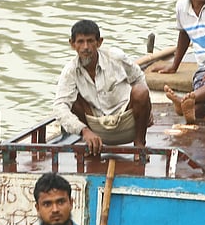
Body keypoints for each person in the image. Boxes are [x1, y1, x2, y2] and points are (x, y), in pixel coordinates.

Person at [53, 20, 152, 158]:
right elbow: (59, 106)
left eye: (90, 41)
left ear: (99, 42)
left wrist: (148, 109)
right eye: (80, 42)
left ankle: (139, 144)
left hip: (126, 122)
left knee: (141, 91)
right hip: (95, 127)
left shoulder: (115, 57)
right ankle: (91, 144)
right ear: (72, 44)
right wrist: (84, 131)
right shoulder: (70, 71)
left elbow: (138, 77)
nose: (85, 47)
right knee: (71, 99)